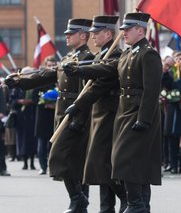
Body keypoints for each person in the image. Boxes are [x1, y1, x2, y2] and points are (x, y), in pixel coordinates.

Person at [64, 12, 162, 213]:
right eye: (124, 29)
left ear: (140, 30)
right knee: (124, 161)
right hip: (124, 113)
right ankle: (138, 206)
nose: (124, 32)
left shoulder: (148, 54)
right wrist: (79, 71)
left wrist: (144, 118)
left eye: (128, 29)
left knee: (128, 161)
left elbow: (151, 91)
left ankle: (136, 205)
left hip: (138, 113)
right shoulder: (128, 53)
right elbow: (105, 70)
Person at [5, 18, 94, 213]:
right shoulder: (69, 58)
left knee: (60, 157)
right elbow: (46, 75)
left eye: (71, 33)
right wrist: (20, 81)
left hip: (77, 116)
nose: (67, 36)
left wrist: (80, 119)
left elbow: (89, 93)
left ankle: (78, 198)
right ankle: (80, 201)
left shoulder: (89, 58)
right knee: (74, 161)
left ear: (83, 35)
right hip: (63, 115)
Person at [64, 15, 127, 213]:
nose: (93, 37)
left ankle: (127, 199)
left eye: (96, 33)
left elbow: (100, 84)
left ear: (108, 33)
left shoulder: (116, 54)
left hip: (110, 114)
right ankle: (106, 207)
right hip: (98, 115)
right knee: (100, 164)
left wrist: (78, 104)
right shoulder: (102, 54)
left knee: (102, 162)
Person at [34, 56, 58, 175]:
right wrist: (44, 102)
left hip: (55, 115)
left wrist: (55, 104)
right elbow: (34, 98)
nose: (51, 68)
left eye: (53, 66)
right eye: (49, 65)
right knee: (41, 143)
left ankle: (53, 166)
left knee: (53, 143)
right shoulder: (41, 80)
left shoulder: (58, 79)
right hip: (42, 115)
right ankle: (43, 167)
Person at [11, 66, 37, 170]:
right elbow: (11, 101)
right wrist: (19, 101)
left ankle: (31, 162)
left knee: (32, 140)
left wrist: (31, 101)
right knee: (22, 140)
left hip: (32, 116)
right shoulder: (18, 86)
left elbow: (38, 98)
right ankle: (25, 162)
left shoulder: (35, 85)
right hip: (21, 117)